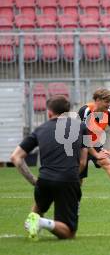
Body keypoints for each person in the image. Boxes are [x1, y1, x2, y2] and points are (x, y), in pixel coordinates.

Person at [10, 95, 88, 240]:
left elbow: (16, 157)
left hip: (44, 179)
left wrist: (34, 180)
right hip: (68, 179)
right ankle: (40, 222)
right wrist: (71, 176)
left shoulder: (39, 130)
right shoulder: (83, 127)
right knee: (69, 233)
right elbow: (83, 162)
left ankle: (34, 222)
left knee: (39, 206)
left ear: (49, 112)